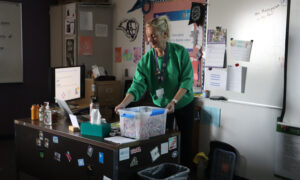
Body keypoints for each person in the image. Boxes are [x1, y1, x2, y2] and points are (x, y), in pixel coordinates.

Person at [115, 16, 194, 169]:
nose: (150, 40)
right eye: (148, 36)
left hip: (182, 103)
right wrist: (123, 103)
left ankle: (185, 172)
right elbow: (137, 86)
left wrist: (174, 102)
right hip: (161, 107)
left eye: (154, 36)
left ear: (165, 33)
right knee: (162, 142)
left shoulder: (180, 53)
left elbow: (186, 81)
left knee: (185, 141)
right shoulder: (146, 60)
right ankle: (164, 171)